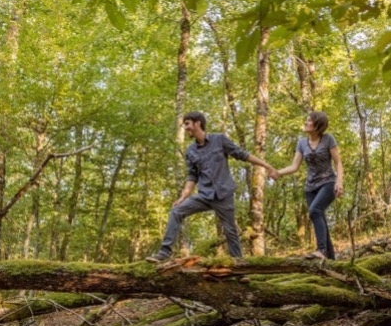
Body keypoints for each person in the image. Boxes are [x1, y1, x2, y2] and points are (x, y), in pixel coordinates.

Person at [146, 111, 278, 267]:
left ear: (197, 123)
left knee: (230, 232)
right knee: (176, 211)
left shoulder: (219, 140)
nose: (186, 127)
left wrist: (267, 165)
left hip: (223, 194)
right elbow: (192, 176)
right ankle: (164, 253)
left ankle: (239, 265)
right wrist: (183, 197)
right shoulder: (190, 151)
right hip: (204, 195)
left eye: (187, 123)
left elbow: (242, 154)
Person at [272, 112, 343, 260]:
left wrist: (339, 182)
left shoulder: (328, 139)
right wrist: (278, 172)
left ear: (318, 125)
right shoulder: (302, 143)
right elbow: (294, 166)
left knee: (314, 210)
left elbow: (338, 162)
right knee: (319, 218)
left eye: (309, 120)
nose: (306, 122)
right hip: (310, 188)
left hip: (328, 183)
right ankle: (331, 261)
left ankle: (321, 251)